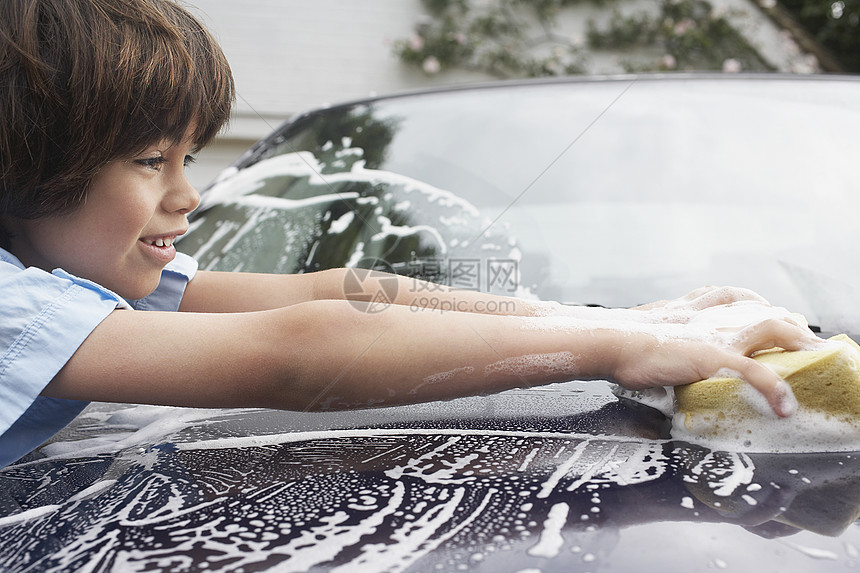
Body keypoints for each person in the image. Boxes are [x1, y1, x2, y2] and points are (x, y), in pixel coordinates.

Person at [0, 0, 821, 468]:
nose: (189, 194)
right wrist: (605, 351)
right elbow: (298, 347)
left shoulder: (87, 283)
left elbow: (333, 291)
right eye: (151, 161)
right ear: (26, 160)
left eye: (190, 156)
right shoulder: (13, 310)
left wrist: (631, 322)